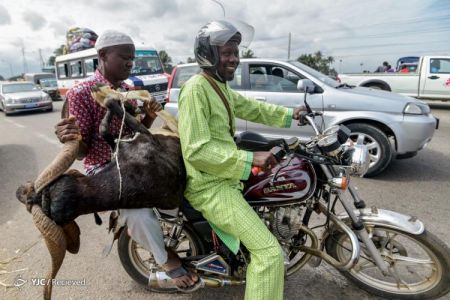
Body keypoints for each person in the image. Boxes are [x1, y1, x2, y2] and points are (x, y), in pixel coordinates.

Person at [54, 30, 198, 289]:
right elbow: (83, 152)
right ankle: (165, 259)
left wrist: (151, 118)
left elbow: (135, 131)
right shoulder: (81, 93)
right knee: (138, 211)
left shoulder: (128, 89)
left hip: (136, 159)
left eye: (132, 58)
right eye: (124, 57)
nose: (130, 63)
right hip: (105, 168)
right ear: (102, 55)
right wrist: (70, 139)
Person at [177, 20, 305, 300]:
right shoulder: (196, 89)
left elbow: (252, 108)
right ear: (207, 54)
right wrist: (250, 158)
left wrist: (290, 116)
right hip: (211, 186)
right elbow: (197, 150)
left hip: (227, 176)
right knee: (269, 252)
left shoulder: (218, 86)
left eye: (236, 52)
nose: (234, 58)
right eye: (227, 52)